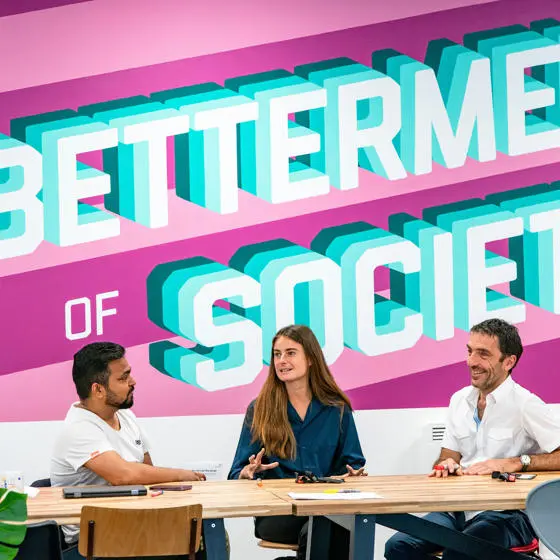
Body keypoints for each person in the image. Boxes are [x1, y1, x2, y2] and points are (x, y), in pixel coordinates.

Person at [385, 318, 560, 560]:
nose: (471, 362)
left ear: (509, 361)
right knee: (398, 546)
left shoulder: (526, 405)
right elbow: (449, 455)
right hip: (457, 509)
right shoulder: (459, 400)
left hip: (508, 515)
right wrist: (446, 464)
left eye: (483, 354)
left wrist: (517, 462)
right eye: (469, 351)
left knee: (459, 553)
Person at [51, 342, 206, 559]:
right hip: (93, 545)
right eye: (123, 378)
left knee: (202, 537)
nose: (133, 382)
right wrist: (183, 474)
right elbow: (124, 476)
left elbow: (148, 473)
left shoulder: (125, 416)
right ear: (98, 389)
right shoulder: (77, 429)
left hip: (136, 528)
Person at [228, 324, 367, 560]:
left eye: (290, 353)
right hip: (278, 512)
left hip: (326, 506)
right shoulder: (259, 409)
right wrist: (248, 473)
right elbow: (235, 474)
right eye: (276, 354)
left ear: (311, 358)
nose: (281, 361)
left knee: (337, 525)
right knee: (326, 527)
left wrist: (352, 475)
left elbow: (353, 463)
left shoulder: (337, 408)